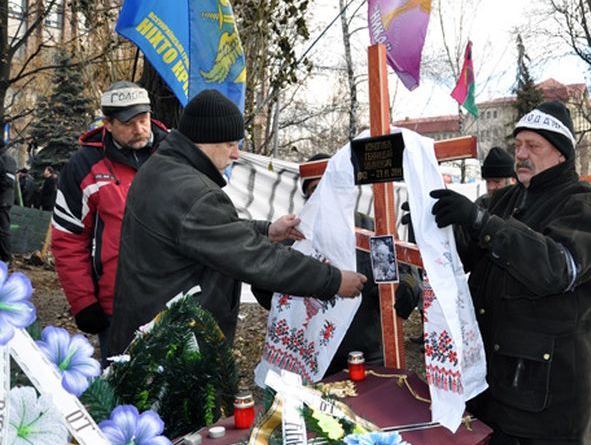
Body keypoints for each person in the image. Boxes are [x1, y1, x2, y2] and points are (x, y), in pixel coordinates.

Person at [109, 90, 367, 355]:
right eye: (230, 144)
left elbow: (205, 234)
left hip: (151, 328)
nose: (235, 155)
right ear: (205, 140)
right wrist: (333, 281)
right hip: (175, 347)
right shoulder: (194, 193)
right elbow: (256, 258)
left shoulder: (162, 168)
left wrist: (266, 230)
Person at [430, 100, 591, 445]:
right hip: (497, 383)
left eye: (534, 146)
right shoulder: (509, 198)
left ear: (561, 153)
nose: (522, 155)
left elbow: (557, 268)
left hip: (549, 391)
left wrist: (481, 221)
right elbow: (469, 254)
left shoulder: (582, 203)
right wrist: (435, 230)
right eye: (519, 146)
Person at [252, 153, 422, 375]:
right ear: (307, 196)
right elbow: (266, 288)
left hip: (366, 356)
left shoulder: (370, 229)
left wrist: (404, 289)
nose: (325, 194)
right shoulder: (294, 236)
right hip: (309, 359)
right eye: (316, 189)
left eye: (330, 185)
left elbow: (402, 275)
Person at [51, 81, 168, 364]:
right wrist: (83, 302)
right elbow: (68, 238)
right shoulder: (84, 165)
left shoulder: (174, 154)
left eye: (144, 120)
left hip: (174, 301)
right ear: (108, 123)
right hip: (117, 306)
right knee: (122, 398)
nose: (139, 129)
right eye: (129, 123)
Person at [0, 135, 17, 263]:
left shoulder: (7, 159)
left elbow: (8, 181)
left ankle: (6, 258)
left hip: (3, 200)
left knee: (3, 229)